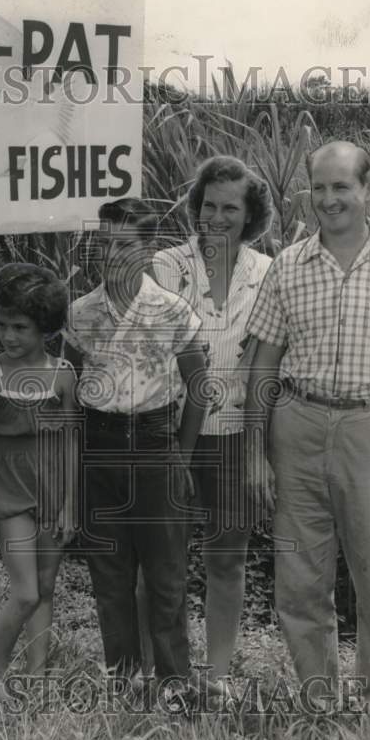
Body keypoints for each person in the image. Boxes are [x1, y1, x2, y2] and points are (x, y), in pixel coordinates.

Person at [243, 140, 370, 728]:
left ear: (367, 190)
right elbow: (262, 366)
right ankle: (317, 702)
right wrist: (256, 453)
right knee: (300, 576)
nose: (328, 199)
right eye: (318, 188)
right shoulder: (288, 266)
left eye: (341, 186)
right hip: (296, 425)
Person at [63, 197, 209, 705]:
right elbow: (67, 387)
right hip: (99, 450)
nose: (113, 256)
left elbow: (199, 387)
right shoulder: (80, 312)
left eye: (125, 245)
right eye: (104, 245)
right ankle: (122, 683)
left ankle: (172, 686)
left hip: (154, 446)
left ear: (149, 250)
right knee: (110, 577)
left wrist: (182, 457)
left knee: (166, 576)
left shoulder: (172, 310)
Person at [141, 156, 274, 693]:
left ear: (250, 216)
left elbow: (265, 360)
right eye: (208, 206)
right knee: (160, 562)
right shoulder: (167, 266)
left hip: (237, 434)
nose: (216, 217)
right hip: (170, 432)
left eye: (230, 208)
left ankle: (216, 676)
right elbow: (153, 352)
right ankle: (158, 672)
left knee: (226, 559)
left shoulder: (267, 272)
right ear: (196, 209)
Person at [0, 263, 77, 695]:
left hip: (51, 492)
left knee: (46, 587)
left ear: (45, 328)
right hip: (8, 493)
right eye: (3, 325)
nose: (9, 336)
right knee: (26, 592)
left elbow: (70, 443)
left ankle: (37, 679)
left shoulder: (63, 374)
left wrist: (70, 503)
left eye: (21, 327)